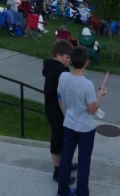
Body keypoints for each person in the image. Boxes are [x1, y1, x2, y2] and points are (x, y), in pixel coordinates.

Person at [57, 45, 107, 196]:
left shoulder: (63, 76)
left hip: (69, 124)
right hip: (85, 128)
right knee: (84, 161)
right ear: (86, 62)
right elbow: (92, 110)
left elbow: (59, 97)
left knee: (65, 158)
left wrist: (66, 114)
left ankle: (62, 191)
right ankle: (82, 192)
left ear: (71, 60)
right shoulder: (87, 84)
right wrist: (99, 96)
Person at [42, 40, 77, 184]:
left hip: (59, 110)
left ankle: (64, 164)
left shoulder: (56, 68)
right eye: (67, 57)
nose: (70, 60)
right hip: (57, 111)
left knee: (63, 139)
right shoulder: (59, 72)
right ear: (58, 55)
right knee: (57, 140)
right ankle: (58, 172)